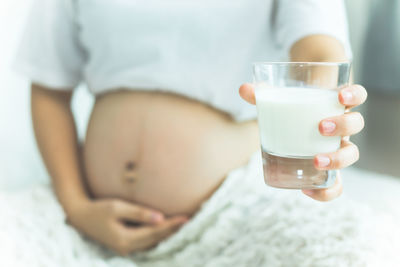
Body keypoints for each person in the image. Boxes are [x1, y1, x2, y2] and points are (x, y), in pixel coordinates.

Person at [15, 0, 366, 256]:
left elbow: (320, 52)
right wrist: (76, 208)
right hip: (87, 214)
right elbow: (50, 89)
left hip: (233, 210)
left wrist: (322, 122)